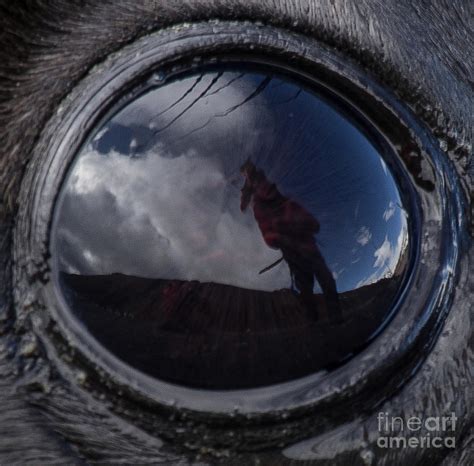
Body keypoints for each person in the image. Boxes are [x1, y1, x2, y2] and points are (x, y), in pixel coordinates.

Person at [240, 159, 342, 323]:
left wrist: (298, 227)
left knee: (325, 280)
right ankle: (314, 323)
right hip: (294, 254)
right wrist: (284, 237)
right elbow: (270, 238)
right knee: (306, 286)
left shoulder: (289, 206)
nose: (266, 188)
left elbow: (314, 225)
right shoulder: (261, 208)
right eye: (260, 186)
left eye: (267, 185)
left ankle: (335, 319)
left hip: (309, 250)